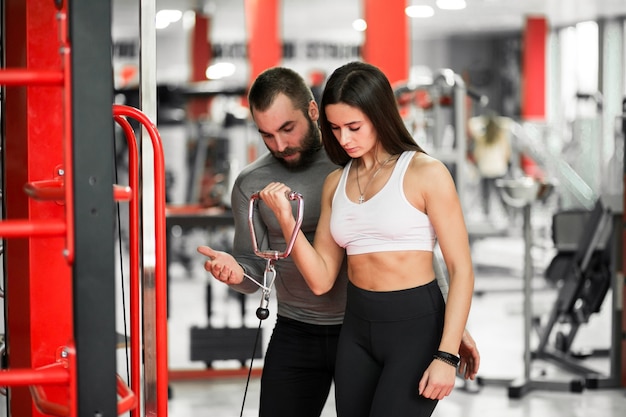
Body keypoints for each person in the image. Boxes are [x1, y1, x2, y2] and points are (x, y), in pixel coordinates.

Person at [197, 66, 479, 417]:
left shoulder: (414, 170)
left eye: (353, 127)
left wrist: (448, 345)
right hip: (340, 329)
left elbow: (445, 260)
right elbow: (316, 277)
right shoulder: (331, 181)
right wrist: (281, 228)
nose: (344, 139)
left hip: (402, 325)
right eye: (335, 128)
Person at [469, 113, 513, 218]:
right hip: (499, 170)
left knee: (485, 196)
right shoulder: (501, 138)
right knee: (502, 195)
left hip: (485, 171)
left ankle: (486, 214)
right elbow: (507, 154)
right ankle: (508, 215)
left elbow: (476, 155)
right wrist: (496, 120)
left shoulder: (481, 139)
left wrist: (485, 120)